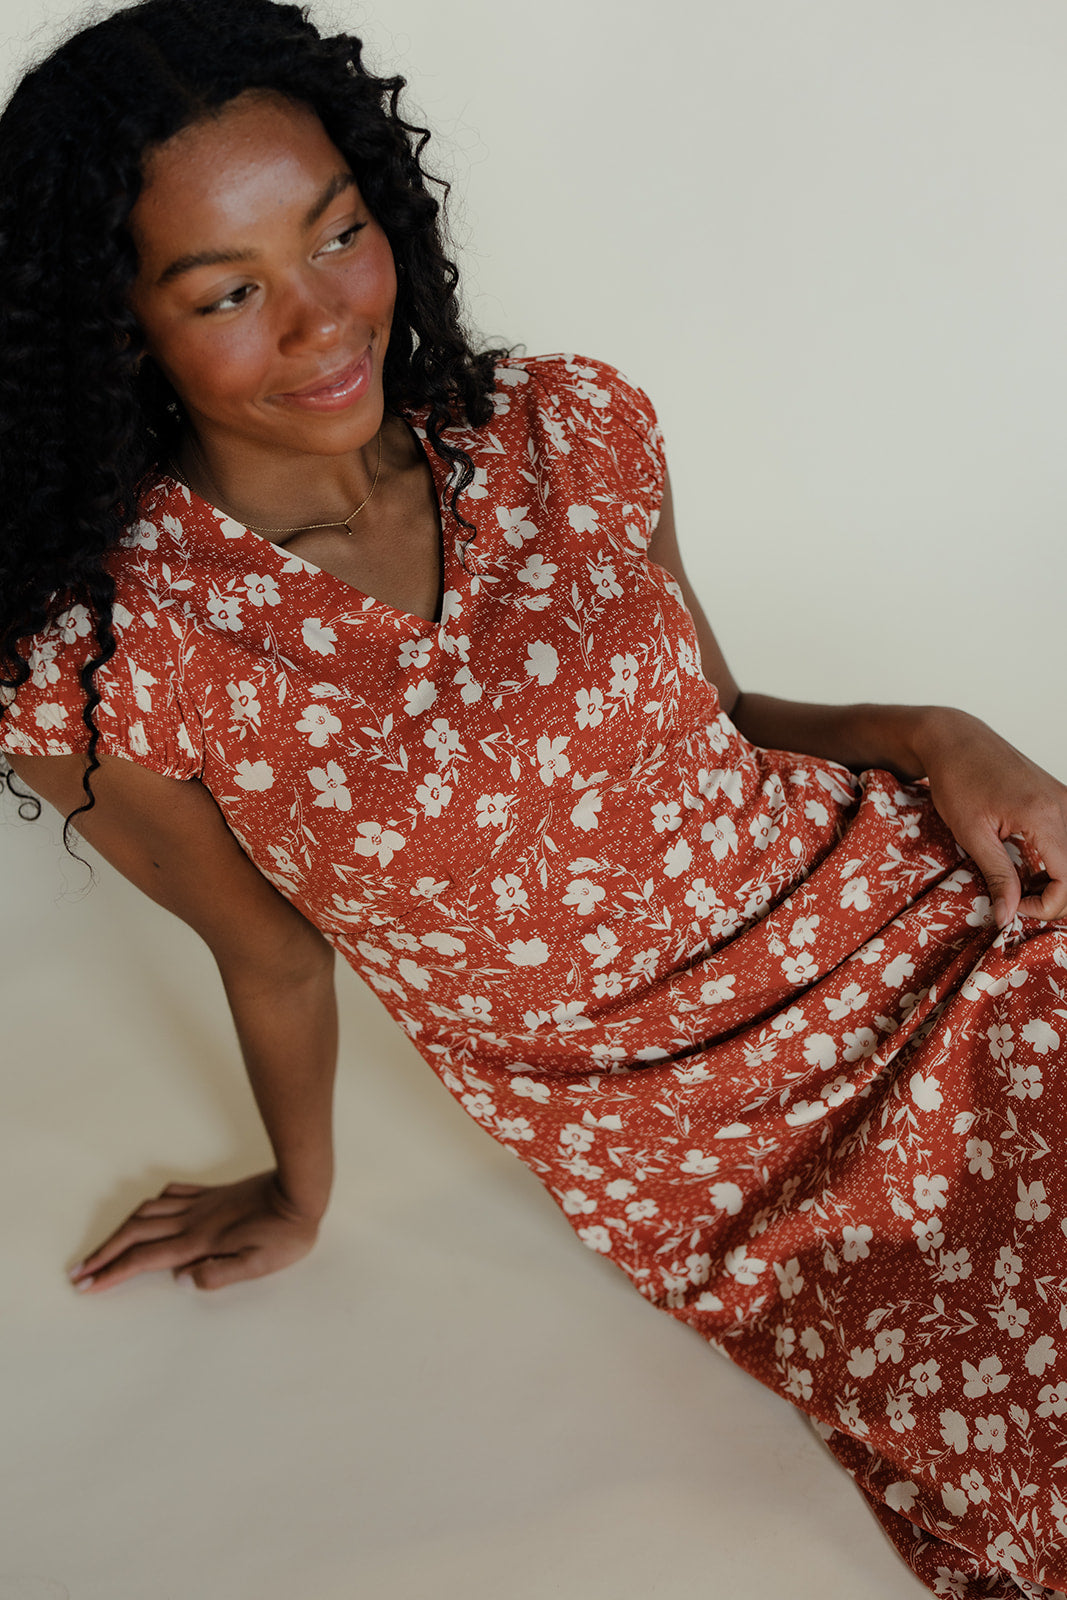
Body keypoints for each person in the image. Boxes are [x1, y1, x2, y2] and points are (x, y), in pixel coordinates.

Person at [1, 1, 1065, 1594]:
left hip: (927, 925)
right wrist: (302, 1189)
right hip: (719, 1144)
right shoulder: (107, 662)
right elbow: (273, 949)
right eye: (229, 292)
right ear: (118, 328)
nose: (322, 321)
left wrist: (935, 730)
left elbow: (707, 718)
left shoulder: (562, 428)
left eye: (338, 234)